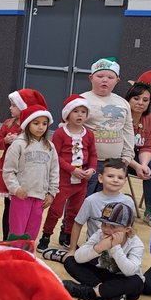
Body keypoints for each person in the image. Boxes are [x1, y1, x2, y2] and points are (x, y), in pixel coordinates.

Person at [39, 96, 97, 253]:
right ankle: (46, 236)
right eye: (76, 111)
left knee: (75, 211)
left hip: (81, 182)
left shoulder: (89, 134)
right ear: (67, 114)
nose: (80, 115)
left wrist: (91, 169)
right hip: (63, 180)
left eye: (83, 112)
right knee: (55, 210)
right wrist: (72, 169)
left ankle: (67, 236)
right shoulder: (60, 133)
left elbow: (93, 154)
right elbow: (55, 156)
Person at [63, 201, 144, 300]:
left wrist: (115, 248)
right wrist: (98, 248)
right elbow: (78, 257)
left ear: (127, 229)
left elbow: (130, 271)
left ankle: (89, 292)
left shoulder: (136, 244)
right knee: (70, 261)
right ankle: (111, 296)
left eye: (113, 227)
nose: (107, 230)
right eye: (104, 224)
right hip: (102, 276)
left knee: (137, 283)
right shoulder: (99, 234)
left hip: (122, 279)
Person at [55, 158, 136, 261]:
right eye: (110, 176)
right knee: (72, 262)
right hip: (95, 249)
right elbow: (77, 224)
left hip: (119, 250)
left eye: (120, 177)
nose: (115, 180)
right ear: (100, 178)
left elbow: (130, 227)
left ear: (125, 181)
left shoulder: (128, 201)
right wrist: (72, 249)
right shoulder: (91, 201)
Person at [0, 89, 46, 240]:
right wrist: (6, 141)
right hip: (9, 171)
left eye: (14, 105)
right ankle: (6, 238)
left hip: (26, 174)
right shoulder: (7, 124)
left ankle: (20, 240)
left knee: (22, 210)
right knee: (8, 208)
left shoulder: (32, 128)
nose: (10, 108)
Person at [2, 103, 59, 243]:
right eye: (36, 123)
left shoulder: (50, 146)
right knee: (17, 232)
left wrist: (52, 193)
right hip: (21, 196)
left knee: (31, 234)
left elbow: (54, 171)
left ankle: (26, 259)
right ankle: (13, 259)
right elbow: (8, 171)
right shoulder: (18, 144)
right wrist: (16, 188)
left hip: (40, 197)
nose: (41, 127)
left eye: (44, 123)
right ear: (27, 124)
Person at [81, 57, 134, 193]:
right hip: (89, 162)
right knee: (83, 198)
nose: (105, 80)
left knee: (106, 199)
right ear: (91, 77)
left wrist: (127, 157)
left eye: (110, 77)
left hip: (115, 162)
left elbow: (128, 131)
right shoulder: (82, 100)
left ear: (117, 80)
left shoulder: (123, 103)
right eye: (100, 76)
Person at [125, 70, 151, 226]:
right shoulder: (121, 116)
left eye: (145, 100)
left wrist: (144, 165)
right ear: (128, 99)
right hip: (121, 156)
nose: (141, 102)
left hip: (140, 157)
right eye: (136, 98)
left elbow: (148, 146)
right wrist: (135, 165)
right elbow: (119, 147)